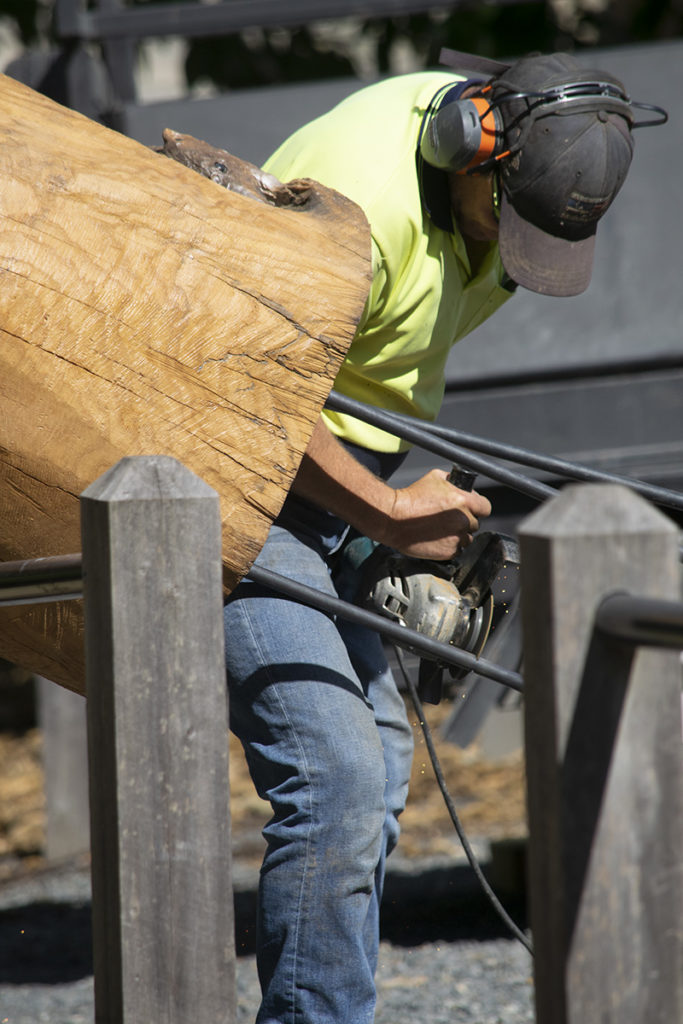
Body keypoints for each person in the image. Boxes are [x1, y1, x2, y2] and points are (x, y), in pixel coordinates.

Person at [224, 49, 649, 1024]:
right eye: (515, 224)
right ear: (471, 153)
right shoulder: (354, 197)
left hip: (343, 477)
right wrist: (382, 512)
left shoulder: (506, 205)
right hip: (239, 480)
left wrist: (387, 507)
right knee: (333, 772)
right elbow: (244, 390)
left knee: (376, 778)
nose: (518, 258)